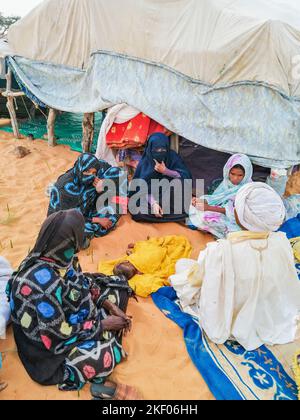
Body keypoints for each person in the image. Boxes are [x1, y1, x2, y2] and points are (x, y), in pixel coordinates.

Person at [7, 210, 139, 398]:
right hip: (45, 350)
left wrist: (109, 305)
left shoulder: (56, 255)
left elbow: (81, 282)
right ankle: (100, 385)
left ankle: (105, 320)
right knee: (102, 355)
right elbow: (56, 335)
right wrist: (102, 325)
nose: (83, 236)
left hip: (65, 316)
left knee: (111, 292)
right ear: (70, 240)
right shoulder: (44, 284)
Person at [171, 183, 300, 351]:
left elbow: (199, 279)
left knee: (182, 266)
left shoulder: (221, 250)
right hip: (268, 306)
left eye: (237, 208)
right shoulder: (281, 241)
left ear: (241, 217)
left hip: (234, 305)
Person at [48, 153, 123, 247]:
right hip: (67, 218)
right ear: (79, 168)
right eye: (87, 172)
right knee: (72, 231)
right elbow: (66, 216)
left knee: (117, 175)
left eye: (94, 172)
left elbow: (111, 169)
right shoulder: (64, 188)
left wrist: (103, 184)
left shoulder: (95, 168)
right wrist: (98, 220)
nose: (91, 176)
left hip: (88, 208)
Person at [98, 235, 192, 298]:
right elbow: (149, 249)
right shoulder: (134, 260)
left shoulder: (137, 267)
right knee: (151, 246)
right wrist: (136, 246)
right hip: (157, 254)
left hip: (152, 254)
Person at [130, 133, 192, 223]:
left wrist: (166, 171)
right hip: (151, 200)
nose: (160, 152)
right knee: (138, 212)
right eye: (156, 149)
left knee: (179, 182)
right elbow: (141, 189)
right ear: (150, 148)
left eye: (163, 149)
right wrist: (153, 203)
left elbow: (185, 176)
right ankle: (173, 215)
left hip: (170, 199)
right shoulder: (145, 162)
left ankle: (165, 214)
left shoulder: (172, 157)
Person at [188, 153, 253, 238]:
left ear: (246, 174)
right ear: (227, 171)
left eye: (240, 175)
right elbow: (216, 198)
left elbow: (237, 212)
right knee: (198, 203)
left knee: (208, 218)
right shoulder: (226, 183)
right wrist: (200, 201)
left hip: (237, 219)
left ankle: (212, 229)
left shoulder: (248, 189)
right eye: (232, 174)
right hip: (221, 209)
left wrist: (208, 208)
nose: (235, 178)